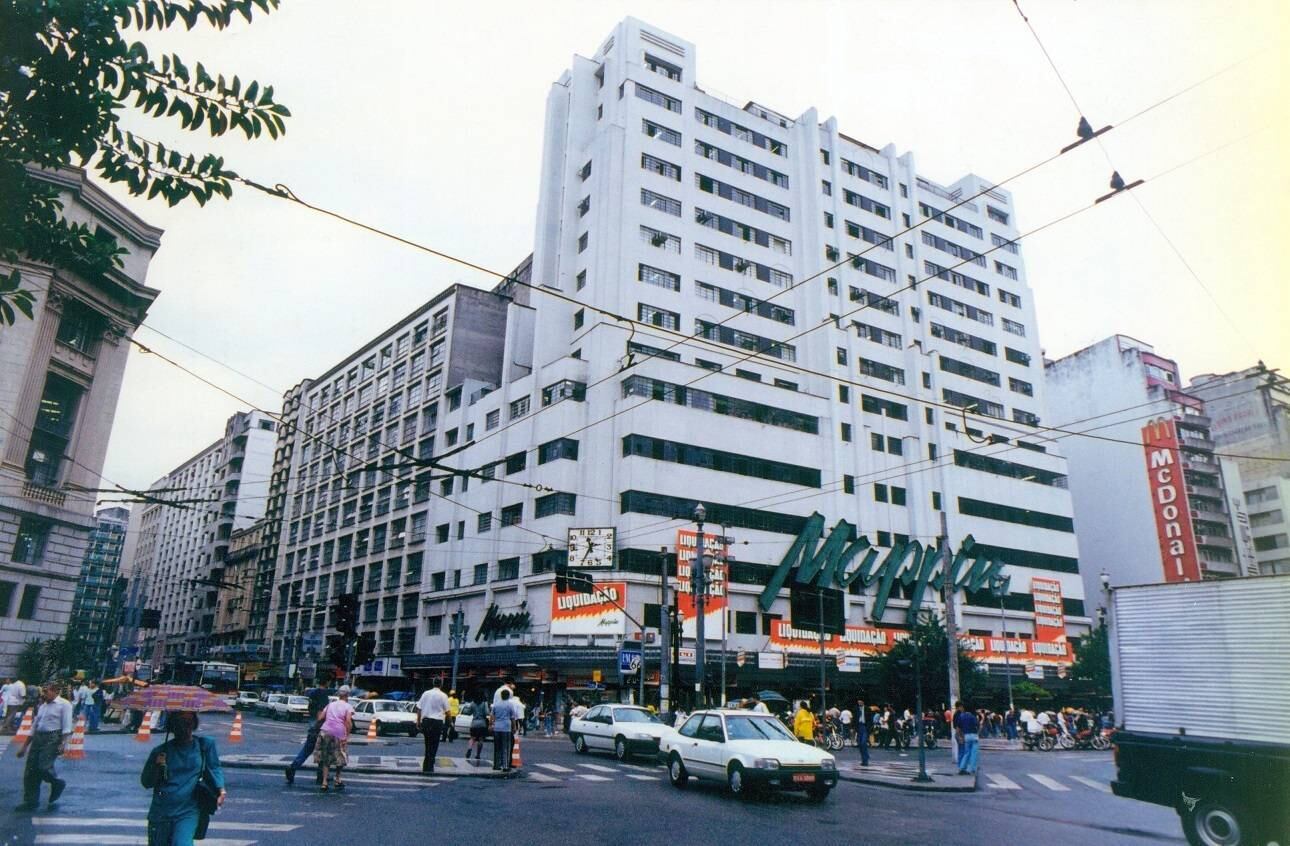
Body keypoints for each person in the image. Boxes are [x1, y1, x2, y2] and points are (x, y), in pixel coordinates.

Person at [141, 711, 225, 845]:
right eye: (179, 723)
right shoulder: (160, 751)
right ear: (172, 726)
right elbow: (146, 782)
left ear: (194, 724)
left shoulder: (204, 746)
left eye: (188, 723)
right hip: (161, 811)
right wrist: (157, 766)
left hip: (188, 810)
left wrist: (221, 789)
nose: (184, 728)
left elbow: (214, 767)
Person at [15, 682, 73, 811]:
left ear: (55, 691)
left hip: (53, 737)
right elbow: (35, 725)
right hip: (38, 737)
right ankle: (30, 801)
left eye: (46, 692)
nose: (44, 694)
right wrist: (24, 747)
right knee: (30, 769)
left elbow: (67, 726)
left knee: (43, 767)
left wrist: (63, 744)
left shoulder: (64, 705)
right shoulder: (42, 706)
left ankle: (57, 783)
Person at [284, 687, 331, 785]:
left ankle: (293, 767)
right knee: (323, 751)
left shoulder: (312, 695)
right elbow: (320, 713)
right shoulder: (323, 695)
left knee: (307, 750)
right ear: (328, 682)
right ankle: (321, 775)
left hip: (312, 726)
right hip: (319, 727)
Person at [316, 686, 353, 792]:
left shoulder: (330, 705)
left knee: (326, 757)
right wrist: (347, 736)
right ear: (347, 695)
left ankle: (324, 782)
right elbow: (348, 722)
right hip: (338, 733)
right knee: (340, 757)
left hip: (325, 731)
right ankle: (337, 779)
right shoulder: (348, 707)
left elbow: (320, 717)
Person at [414, 682, 449, 774]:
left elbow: (419, 708)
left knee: (427, 743)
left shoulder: (426, 694)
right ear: (441, 685)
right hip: (437, 722)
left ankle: (426, 765)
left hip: (426, 721)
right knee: (435, 744)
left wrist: (418, 721)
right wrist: (450, 722)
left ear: (433, 683)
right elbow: (448, 711)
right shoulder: (443, 695)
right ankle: (431, 764)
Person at [490, 688, 520, 773]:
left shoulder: (496, 704)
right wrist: (514, 728)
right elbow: (513, 718)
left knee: (497, 747)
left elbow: (492, 716)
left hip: (497, 727)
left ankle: (496, 765)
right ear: (508, 696)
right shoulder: (510, 705)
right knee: (506, 747)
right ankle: (505, 766)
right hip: (506, 727)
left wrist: (491, 725)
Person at [957, 704, 981, 775]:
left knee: (966, 753)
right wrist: (978, 733)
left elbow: (958, 728)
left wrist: (960, 737)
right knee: (974, 753)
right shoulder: (973, 717)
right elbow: (978, 725)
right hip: (974, 736)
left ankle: (962, 767)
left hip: (966, 736)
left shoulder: (961, 717)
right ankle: (971, 769)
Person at [467, 694, 489, 761]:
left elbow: (469, 712)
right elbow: (487, 712)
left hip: (474, 723)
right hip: (482, 723)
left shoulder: (472, 703)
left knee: (472, 738)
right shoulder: (484, 703)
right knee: (481, 739)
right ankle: (478, 755)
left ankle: (470, 748)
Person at [855, 699, 870, 766]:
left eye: (860, 701)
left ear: (863, 702)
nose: (859, 703)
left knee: (863, 742)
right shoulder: (856, 709)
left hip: (865, 727)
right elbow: (855, 718)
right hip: (859, 727)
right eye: (858, 702)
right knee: (860, 744)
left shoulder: (867, 709)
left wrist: (869, 728)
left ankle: (866, 759)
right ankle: (864, 759)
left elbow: (870, 719)